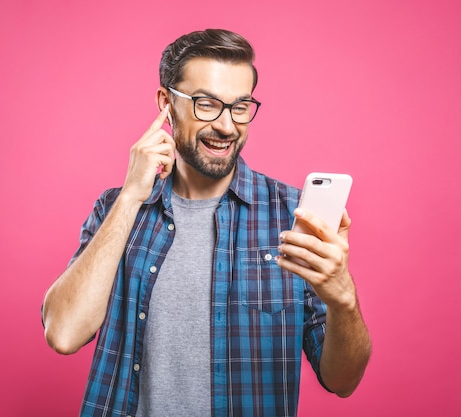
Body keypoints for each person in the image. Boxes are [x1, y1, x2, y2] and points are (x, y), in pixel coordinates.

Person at [42, 28, 371, 417]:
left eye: (240, 106)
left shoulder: (293, 215)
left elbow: (342, 381)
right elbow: (63, 334)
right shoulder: (117, 208)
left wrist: (343, 298)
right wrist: (131, 195)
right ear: (166, 103)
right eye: (207, 104)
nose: (227, 126)